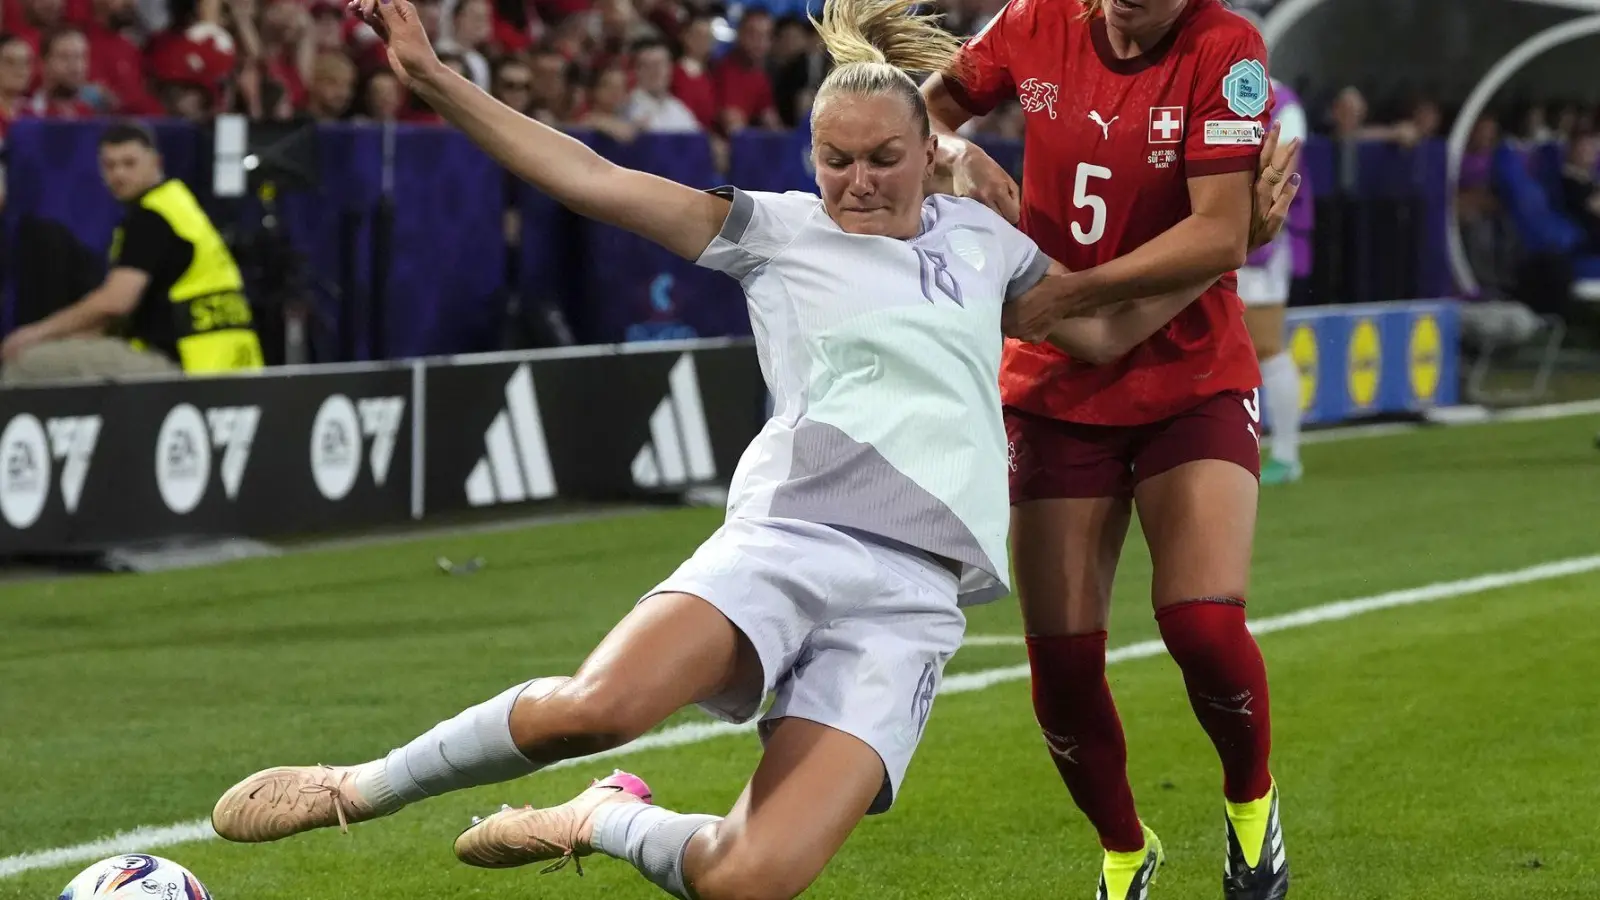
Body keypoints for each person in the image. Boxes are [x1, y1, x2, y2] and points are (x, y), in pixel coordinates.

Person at [209, 2, 1298, 900]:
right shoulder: (774, 232)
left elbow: (1100, 329)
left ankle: (602, 818)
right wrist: (441, 82)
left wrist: (1232, 245)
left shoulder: (987, 245)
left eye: (883, 159)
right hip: (785, 542)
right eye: (835, 161)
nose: (858, 183)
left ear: (934, 154)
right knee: (600, 706)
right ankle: (360, 785)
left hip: (910, 605)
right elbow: (590, 179)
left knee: (747, 880)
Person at [922, 0, 1301, 898]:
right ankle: (1127, 852)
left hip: (1191, 370)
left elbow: (1221, 231)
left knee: (1202, 625)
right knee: (1059, 662)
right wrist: (960, 160)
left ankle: (1252, 807)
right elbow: (920, 116)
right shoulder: (1033, 21)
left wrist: (1070, 290)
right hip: (1055, 381)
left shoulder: (1226, 47)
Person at [0, 122, 264, 384]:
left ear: (156, 163)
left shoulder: (150, 218)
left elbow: (116, 301)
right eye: (110, 165)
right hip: (229, 360)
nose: (119, 175)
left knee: (27, 363)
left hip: (184, 365)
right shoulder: (180, 205)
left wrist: (34, 334)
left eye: (129, 163)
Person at [1238, 73, 1312, 485]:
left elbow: (1285, 164)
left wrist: (1253, 221)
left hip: (1259, 238)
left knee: (1265, 344)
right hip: (1210, 229)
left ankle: (1286, 453)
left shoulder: (1281, 97)